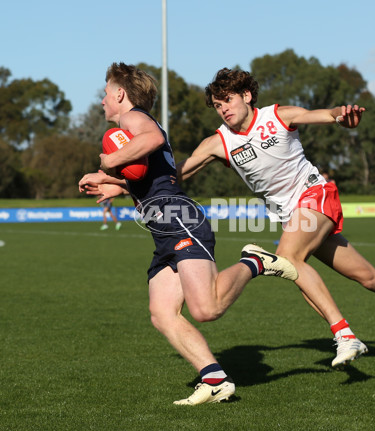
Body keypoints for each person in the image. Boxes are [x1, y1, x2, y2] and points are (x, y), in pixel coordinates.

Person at [178, 67, 375, 366]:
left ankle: (345, 334)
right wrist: (129, 179)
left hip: (316, 194)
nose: (223, 109)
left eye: (227, 100)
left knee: (288, 257)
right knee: (368, 277)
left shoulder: (278, 116)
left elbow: (326, 114)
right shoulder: (219, 142)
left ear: (246, 96)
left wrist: (343, 115)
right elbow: (177, 174)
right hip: (296, 218)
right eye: (218, 104)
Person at [78, 63, 298, 405]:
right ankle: (214, 380)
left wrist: (109, 163)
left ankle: (255, 261)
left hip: (178, 219)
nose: (102, 101)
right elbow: (155, 177)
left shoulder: (132, 119)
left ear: (120, 94)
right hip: (163, 227)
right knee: (162, 313)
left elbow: (153, 140)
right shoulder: (130, 125)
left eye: (106, 94)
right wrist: (114, 184)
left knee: (206, 309)